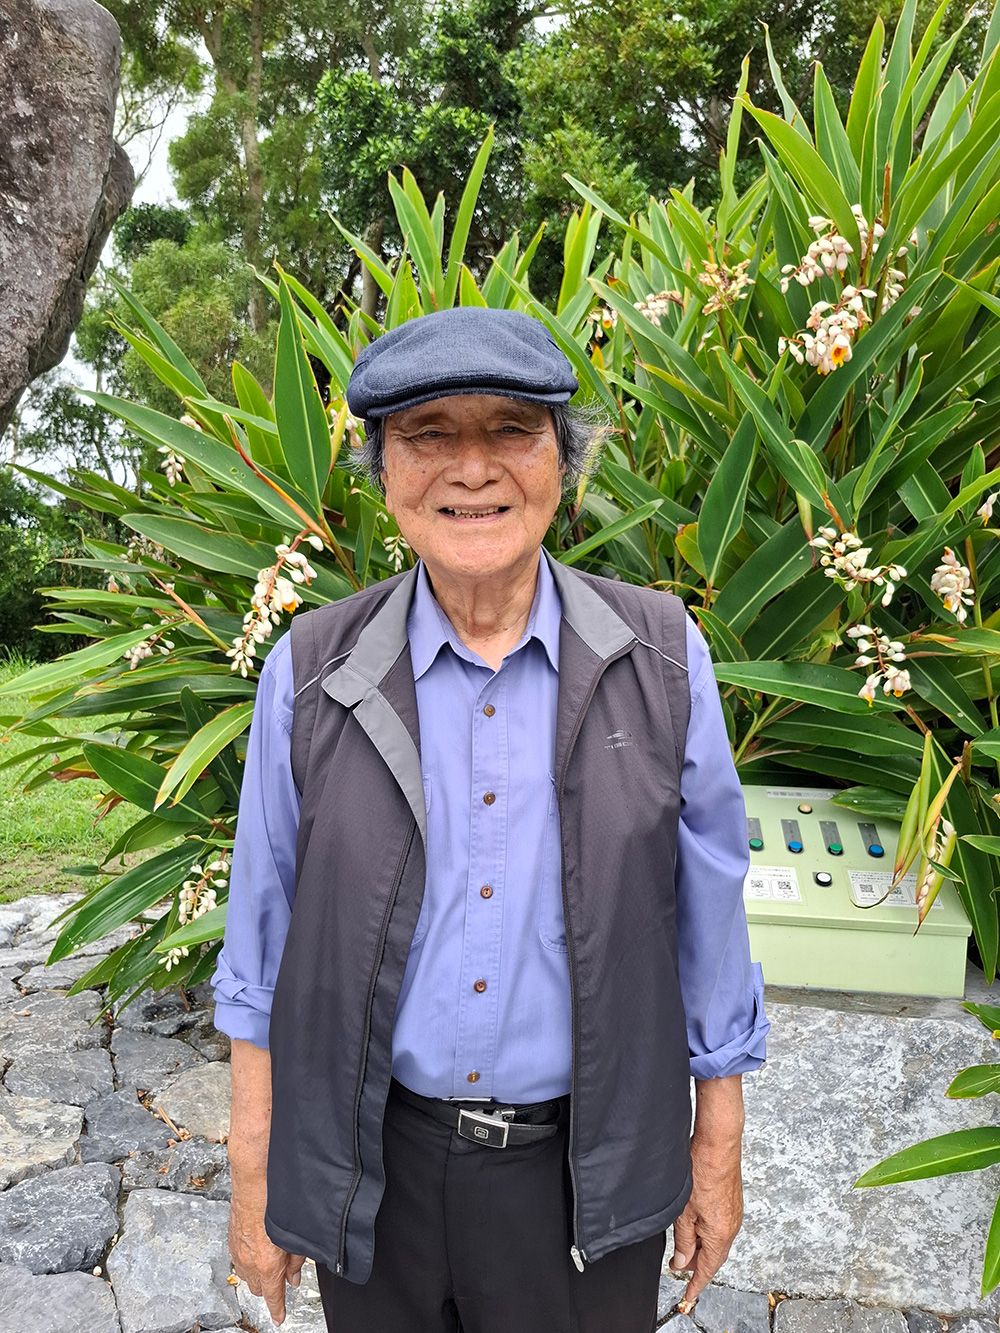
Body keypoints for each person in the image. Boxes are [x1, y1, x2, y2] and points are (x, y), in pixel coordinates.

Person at [212, 306, 770, 1333]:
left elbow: (710, 925)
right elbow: (261, 945)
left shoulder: (659, 658)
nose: (473, 469)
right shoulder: (313, 672)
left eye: (511, 429)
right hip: (375, 1168)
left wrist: (716, 1148)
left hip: (585, 1176)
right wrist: (257, 1172)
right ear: (384, 472)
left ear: (563, 459)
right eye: (428, 434)